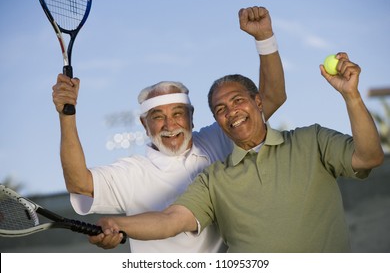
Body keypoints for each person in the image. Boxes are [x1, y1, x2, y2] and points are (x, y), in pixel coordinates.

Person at [89, 52, 384, 252]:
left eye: (237, 100)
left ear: (258, 102)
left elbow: (369, 157)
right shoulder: (214, 179)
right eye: (220, 109)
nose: (231, 112)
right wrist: (119, 225)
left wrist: (352, 96)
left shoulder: (312, 140)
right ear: (217, 120)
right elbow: (170, 220)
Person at [52, 6, 286, 252]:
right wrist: (66, 115)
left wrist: (264, 38)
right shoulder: (131, 173)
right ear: (144, 125)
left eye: (177, 114)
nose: (170, 125)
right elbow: (79, 184)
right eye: (157, 116)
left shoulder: (219, 139)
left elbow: (272, 98)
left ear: (191, 118)